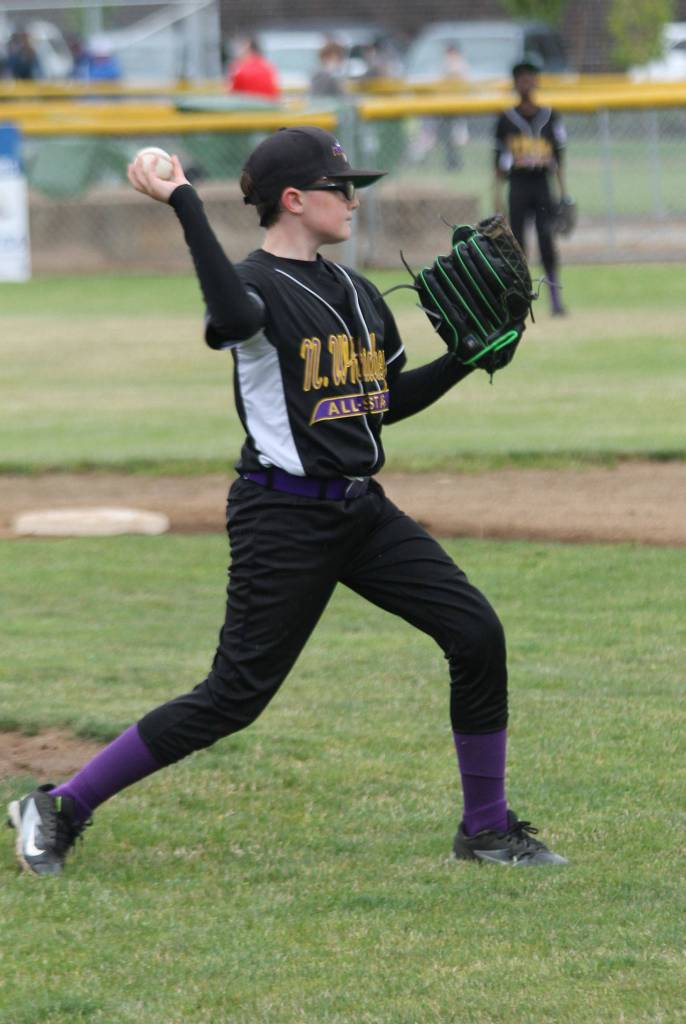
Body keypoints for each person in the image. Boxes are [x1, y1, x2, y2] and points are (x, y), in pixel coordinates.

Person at [7, 125, 567, 876]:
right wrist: (183, 202)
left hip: (363, 512)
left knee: (476, 635)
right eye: (339, 189)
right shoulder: (255, 287)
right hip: (283, 517)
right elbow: (231, 322)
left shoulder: (359, 293)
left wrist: (464, 360)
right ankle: (58, 805)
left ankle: (488, 830)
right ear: (294, 201)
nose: (352, 200)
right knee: (232, 697)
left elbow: (384, 401)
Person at [494, 57, 568, 316]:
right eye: (521, 77)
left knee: (546, 240)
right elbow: (499, 163)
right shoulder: (506, 119)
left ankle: (555, 298)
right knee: (518, 245)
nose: (526, 81)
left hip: (541, 185)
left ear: (536, 81)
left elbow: (559, 158)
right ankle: (521, 299)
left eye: (530, 76)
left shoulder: (550, 116)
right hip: (518, 184)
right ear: (515, 83)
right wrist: (497, 198)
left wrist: (563, 193)